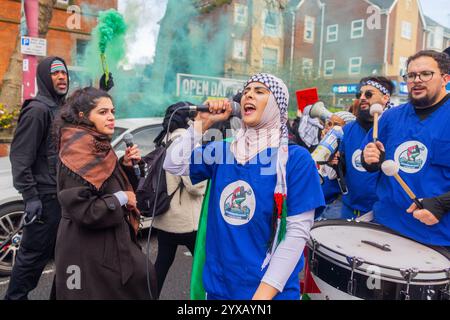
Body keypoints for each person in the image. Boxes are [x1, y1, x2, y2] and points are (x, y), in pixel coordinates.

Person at [164, 73, 325, 300]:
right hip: (219, 290)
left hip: (268, 294)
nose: (249, 94)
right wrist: (201, 124)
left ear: (276, 106)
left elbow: (297, 234)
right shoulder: (224, 151)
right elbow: (173, 163)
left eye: (260, 91)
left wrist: (261, 297)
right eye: (247, 90)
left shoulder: (295, 159)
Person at [53, 87, 157, 299]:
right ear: (83, 116)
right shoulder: (78, 150)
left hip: (107, 242)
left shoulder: (97, 143)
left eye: (112, 111)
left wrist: (126, 166)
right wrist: (122, 198)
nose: (111, 117)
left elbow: (103, 183)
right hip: (87, 248)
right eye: (103, 112)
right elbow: (85, 209)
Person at [362, 50, 450, 248]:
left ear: (445, 78)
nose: (416, 80)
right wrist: (368, 159)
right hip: (386, 227)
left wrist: (443, 203)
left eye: (426, 74)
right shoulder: (390, 117)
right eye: (411, 75)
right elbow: (367, 162)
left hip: (437, 238)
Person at [5, 56, 69, 300]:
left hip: (63, 199)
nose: (61, 77)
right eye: (55, 73)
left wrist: (102, 89)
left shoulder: (61, 109)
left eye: (63, 73)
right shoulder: (37, 110)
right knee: (31, 261)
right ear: (44, 77)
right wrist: (31, 198)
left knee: (66, 260)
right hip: (45, 202)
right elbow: (20, 159)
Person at [319, 76, 395, 220]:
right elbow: (340, 170)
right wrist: (335, 164)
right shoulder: (346, 130)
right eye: (359, 94)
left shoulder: (395, 129)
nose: (362, 98)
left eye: (369, 94)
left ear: (385, 98)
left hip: (382, 214)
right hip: (349, 209)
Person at [152, 102, 206, 297]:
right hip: (187, 222)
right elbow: (194, 185)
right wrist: (207, 180)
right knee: (204, 264)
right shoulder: (187, 141)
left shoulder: (164, 140)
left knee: (163, 262)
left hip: (166, 218)